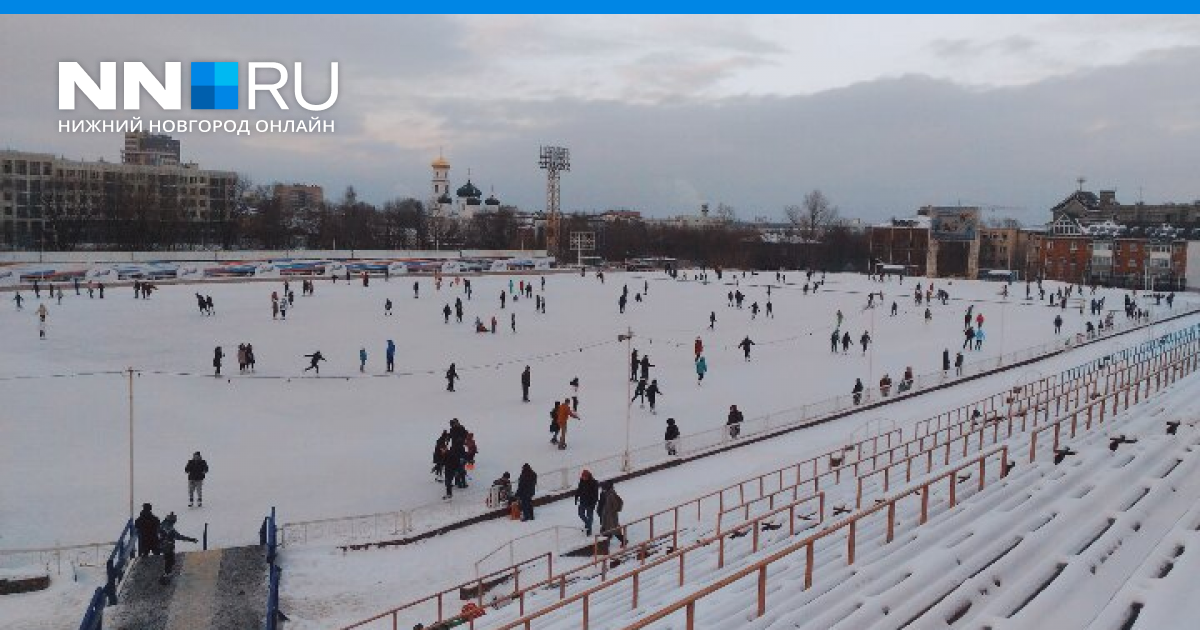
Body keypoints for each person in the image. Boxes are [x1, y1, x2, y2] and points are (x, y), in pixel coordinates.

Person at [158, 513, 198, 581]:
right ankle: (167, 574)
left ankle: (167, 573)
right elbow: (179, 537)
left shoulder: (161, 525)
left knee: (169, 560)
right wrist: (191, 539)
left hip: (163, 546)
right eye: (174, 521)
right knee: (170, 560)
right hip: (168, 547)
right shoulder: (170, 529)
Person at [598, 482, 626, 548]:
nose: (602, 489)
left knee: (613, 530)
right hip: (607, 516)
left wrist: (610, 512)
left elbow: (616, 505)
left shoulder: (611, 494)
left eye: (603, 488)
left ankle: (623, 541)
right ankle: (606, 544)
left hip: (611, 517)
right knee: (606, 530)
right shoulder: (606, 494)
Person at [574, 470, 599, 535]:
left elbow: (595, 495)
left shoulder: (594, 483)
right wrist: (576, 497)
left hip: (590, 503)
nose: (583, 478)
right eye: (582, 476)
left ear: (588, 476)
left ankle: (589, 529)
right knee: (580, 514)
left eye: (584, 477)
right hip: (582, 501)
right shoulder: (581, 481)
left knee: (589, 516)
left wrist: (593, 503)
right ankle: (588, 524)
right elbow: (579, 490)